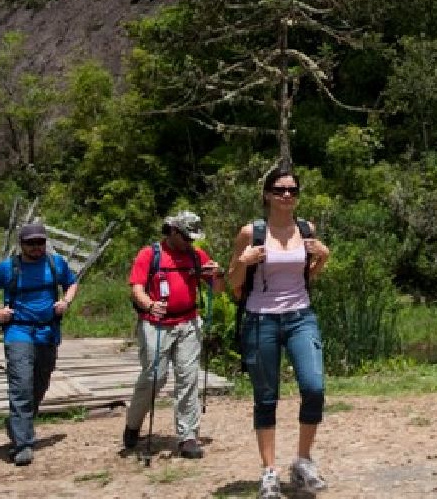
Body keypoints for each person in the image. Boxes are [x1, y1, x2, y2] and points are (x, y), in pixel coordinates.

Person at [228, 166, 331, 498]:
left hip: (301, 316)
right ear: (267, 194)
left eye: (292, 190)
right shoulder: (251, 233)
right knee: (266, 397)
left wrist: (323, 259)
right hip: (261, 320)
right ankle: (269, 472)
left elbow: (306, 277)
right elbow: (233, 286)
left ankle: (302, 461)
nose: (286, 195)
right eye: (279, 189)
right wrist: (243, 261)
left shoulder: (306, 230)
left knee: (314, 387)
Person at [121, 210, 222, 459]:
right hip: (156, 323)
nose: (191, 242)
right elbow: (136, 289)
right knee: (154, 376)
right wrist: (149, 305)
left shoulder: (196, 256)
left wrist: (217, 274)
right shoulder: (150, 255)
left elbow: (217, 289)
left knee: (188, 378)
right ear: (174, 232)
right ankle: (133, 424)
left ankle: (188, 436)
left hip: (188, 322)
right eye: (187, 237)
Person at [0, 223, 79, 466]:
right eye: (31, 243)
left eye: (40, 242)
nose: (36, 247)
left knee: (41, 382)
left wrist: (66, 301)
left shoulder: (56, 264)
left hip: (48, 331)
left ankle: (17, 424)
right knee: (21, 384)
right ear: (21, 244)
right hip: (18, 331)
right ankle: (23, 444)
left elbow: (72, 282)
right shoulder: (8, 268)